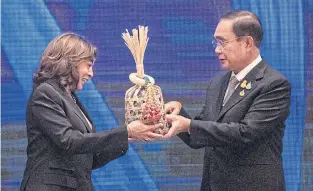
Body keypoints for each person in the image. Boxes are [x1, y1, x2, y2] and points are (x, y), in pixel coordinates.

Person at [164, 10, 291, 191]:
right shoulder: (218, 83)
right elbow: (200, 137)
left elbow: (245, 133)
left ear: (247, 43)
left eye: (222, 42)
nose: (217, 49)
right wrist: (176, 115)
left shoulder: (274, 84)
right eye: (216, 42)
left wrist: (188, 124)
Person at [20, 33, 163, 191]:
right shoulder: (46, 92)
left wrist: (128, 137)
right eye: (88, 65)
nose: (91, 73)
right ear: (71, 61)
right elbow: (69, 140)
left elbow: (89, 157)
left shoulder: (70, 98)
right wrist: (126, 131)